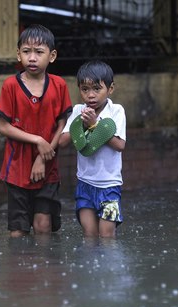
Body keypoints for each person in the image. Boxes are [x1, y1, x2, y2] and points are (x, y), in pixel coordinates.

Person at [0, 24, 73, 237]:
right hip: (17, 168)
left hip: (48, 168)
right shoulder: (10, 85)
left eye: (39, 52)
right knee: (18, 231)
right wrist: (38, 140)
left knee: (43, 226)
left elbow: (63, 124)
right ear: (18, 54)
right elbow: (3, 126)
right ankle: (21, 270)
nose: (32, 58)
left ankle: (46, 269)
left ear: (52, 56)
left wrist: (42, 157)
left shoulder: (59, 85)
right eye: (26, 51)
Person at [59, 60, 126, 237]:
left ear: (110, 89)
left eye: (97, 89)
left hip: (110, 186)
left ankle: (109, 265)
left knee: (107, 236)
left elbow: (120, 145)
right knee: (89, 236)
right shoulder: (78, 110)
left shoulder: (116, 111)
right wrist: (80, 124)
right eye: (85, 89)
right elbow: (63, 141)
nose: (90, 95)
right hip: (85, 184)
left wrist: (95, 125)